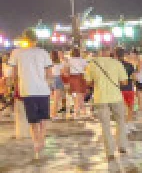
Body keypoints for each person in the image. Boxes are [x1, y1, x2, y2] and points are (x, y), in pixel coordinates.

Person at [7, 29, 54, 159]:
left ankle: (36, 143)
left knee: (33, 120)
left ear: (24, 39)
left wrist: (13, 84)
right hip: (43, 90)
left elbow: (12, 73)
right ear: (36, 40)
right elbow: (50, 74)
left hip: (27, 90)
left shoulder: (17, 53)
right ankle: (41, 140)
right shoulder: (43, 53)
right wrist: (48, 83)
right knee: (44, 118)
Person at [84, 45, 132, 158]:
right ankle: (122, 146)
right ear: (110, 51)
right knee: (120, 121)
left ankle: (110, 151)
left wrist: (98, 83)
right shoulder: (117, 63)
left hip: (100, 98)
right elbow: (125, 82)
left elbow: (88, 82)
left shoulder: (92, 64)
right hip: (116, 97)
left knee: (105, 125)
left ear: (100, 51)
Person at [115, 47, 137, 135]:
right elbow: (134, 77)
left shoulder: (114, 65)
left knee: (121, 109)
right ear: (124, 55)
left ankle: (123, 126)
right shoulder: (129, 65)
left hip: (118, 89)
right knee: (130, 107)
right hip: (129, 88)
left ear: (115, 55)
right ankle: (129, 124)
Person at [64, 47, 89, 119]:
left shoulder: (69, 61)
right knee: (80, 95)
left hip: (72, 77)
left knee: (75, 95)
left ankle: (79, 111)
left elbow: (66, 70)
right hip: (81, 77)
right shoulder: (83, 60)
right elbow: (87, 69)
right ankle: (80, 111)